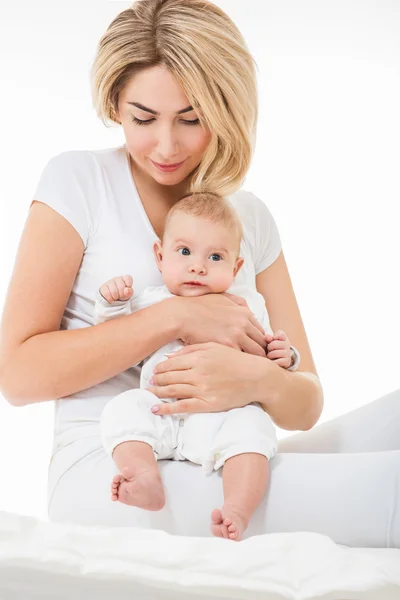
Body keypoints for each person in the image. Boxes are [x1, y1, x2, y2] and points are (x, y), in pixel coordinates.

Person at [0, 0, 399, 547]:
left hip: (227, 450)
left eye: (191, 119)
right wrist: (178, 314)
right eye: (143, 118)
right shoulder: (79, 182)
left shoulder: (248, 217)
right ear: (115, 102)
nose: (166, 145)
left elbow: (306, 402)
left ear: (226, 109)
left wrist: (257, 379)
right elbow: (17, 375)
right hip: (118, 465)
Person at [94, 192, 300, 541]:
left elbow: (270, 351)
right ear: (160, 256)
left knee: (253, 428)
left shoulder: (245, 305)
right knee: (122, 409)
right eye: (185, 252)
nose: (197, 266)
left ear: (236, 268)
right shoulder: (154, 301)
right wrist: (113, 302)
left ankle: (237, 506)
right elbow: (113, 337)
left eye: (215, 256)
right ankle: (143, 476)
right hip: (161, 408)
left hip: (221, 417)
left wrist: (285, 354)